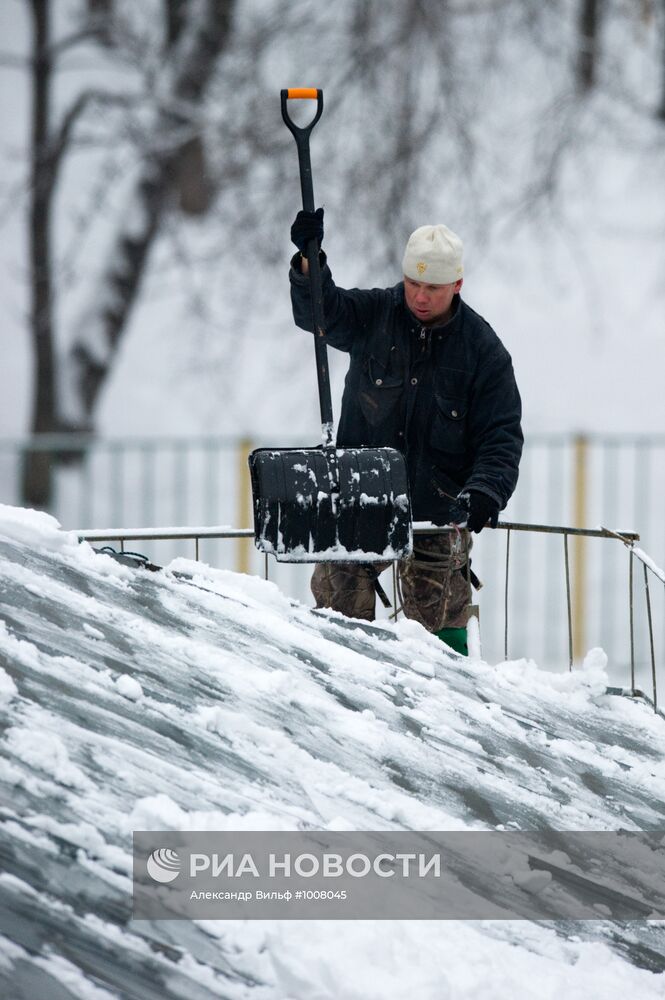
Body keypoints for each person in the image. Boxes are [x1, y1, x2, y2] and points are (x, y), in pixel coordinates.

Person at [289, 210, 523, 655]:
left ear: (456, 285)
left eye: (432, 288)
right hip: (362, 498)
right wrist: (309, 262)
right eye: (413, 284)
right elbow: (321, 314)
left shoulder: (483, 352)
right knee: (338, 622)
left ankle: (451, 702)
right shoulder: (374, 314)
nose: (419, 296)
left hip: (440, 510)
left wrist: (486, 491)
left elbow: (501, 436)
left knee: (440, 630)